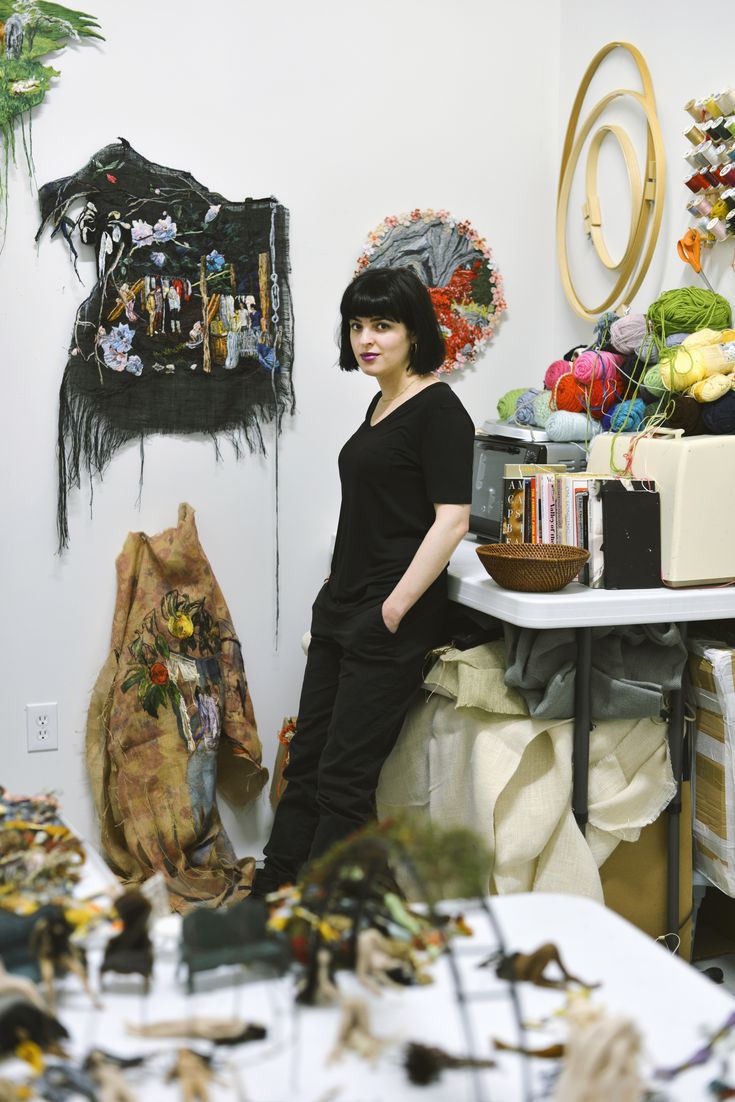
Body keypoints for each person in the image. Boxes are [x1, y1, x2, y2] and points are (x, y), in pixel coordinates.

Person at [251, 266, 475, 897]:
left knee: (346, 778)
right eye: (356, 326)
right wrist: (337, 588)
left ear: (414, 333)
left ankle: (329, 912)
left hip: (385, 616)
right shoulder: (381, 403)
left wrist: (396, 607)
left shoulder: (440, 410)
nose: (366, 339)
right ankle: (274, 890)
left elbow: (451, 521)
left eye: (383, 325)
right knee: (308, 764)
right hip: (342, 606)